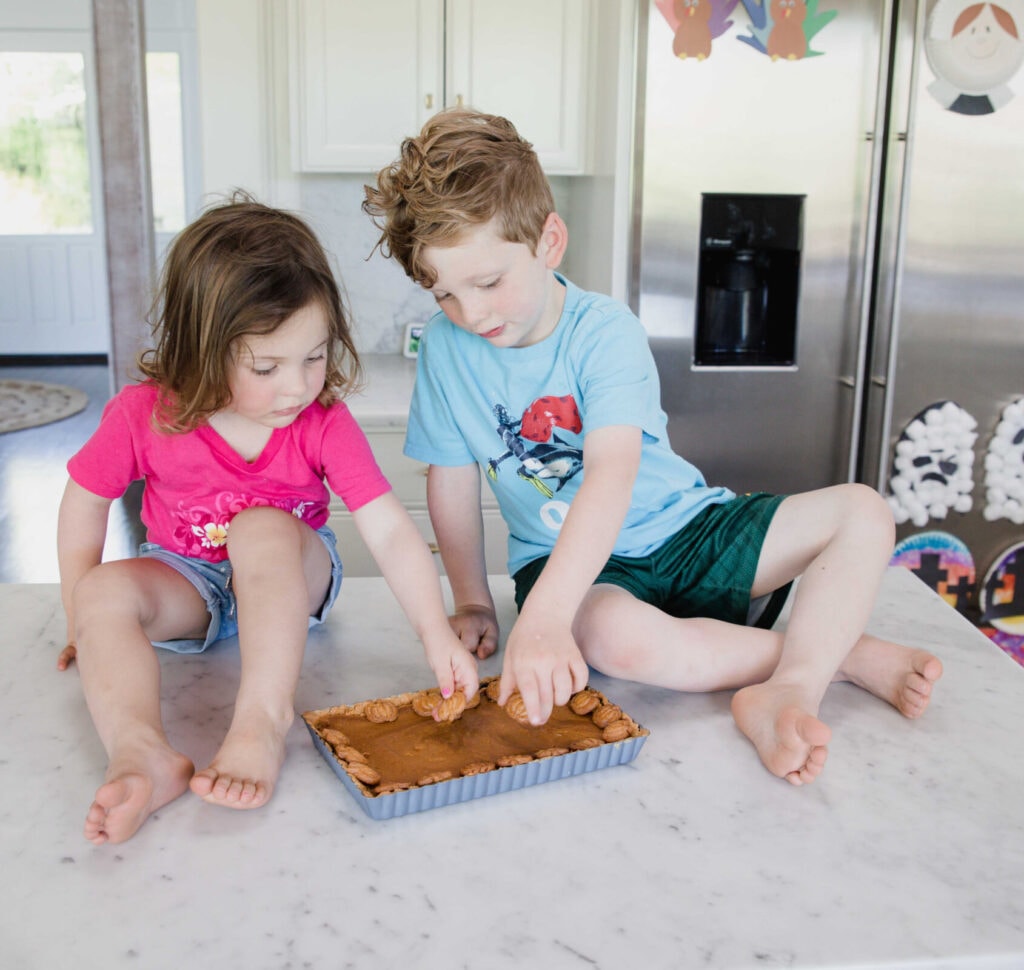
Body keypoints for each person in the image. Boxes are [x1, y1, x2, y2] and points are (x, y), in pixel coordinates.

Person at [362, 108, 943, 786]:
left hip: (688, 529)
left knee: (865, 511)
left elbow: (612, 472)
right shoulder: (445, 349)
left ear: (549, 240)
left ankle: (796, 686)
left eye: (488, 282)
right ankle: (836, 652)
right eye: (445, 294)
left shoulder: (603, 329)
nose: (472, 313)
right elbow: (451, 483)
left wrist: (543, 620)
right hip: (570, 568)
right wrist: (473, 601)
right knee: (616, 641)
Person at [57, 194, 480, 846]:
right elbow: (83, 501)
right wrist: (79, 618)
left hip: (293, 574)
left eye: (314, 356)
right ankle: (141, 752)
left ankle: (260, 720)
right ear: (202, 351)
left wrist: (434, 632)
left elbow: (390, 528)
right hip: (188, 580)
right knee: (103, 591)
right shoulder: (142, 414)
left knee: (259, 527)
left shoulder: (323, 423)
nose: (298, 386)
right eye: (267, 367)